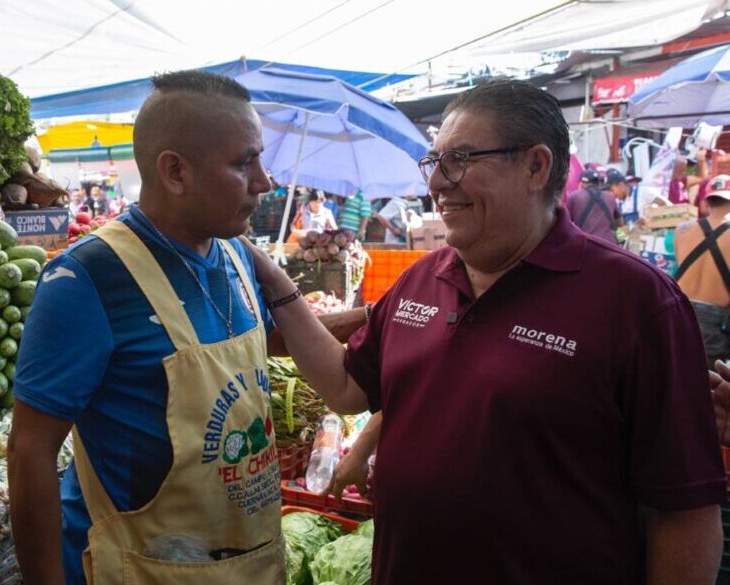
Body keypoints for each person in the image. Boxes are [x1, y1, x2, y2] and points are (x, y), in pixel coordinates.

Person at [244, 79, 725, 585]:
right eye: (434, 162)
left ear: (535, 166)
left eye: (461, 159)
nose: (437, 183)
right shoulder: (421, 280)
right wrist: (275, 281)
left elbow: (686, 510)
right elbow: (345, 389)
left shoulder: (636, 301)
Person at [9, 70, 368, 585]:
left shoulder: (236, 257)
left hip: (246, 558)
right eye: (244, 162)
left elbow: (259, 340)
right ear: (175, 172)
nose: (265, 182)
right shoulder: (86, 278)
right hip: (142, 566)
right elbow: (29, 452)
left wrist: (370, 319)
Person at [674, 174, 730, 368]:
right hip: (712, 323)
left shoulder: (681, 230)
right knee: (707, 388)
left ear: (707, 202)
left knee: (675, 379)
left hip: (677, 312)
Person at [565, 168, 623, 244]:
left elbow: (566, 224)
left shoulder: (574, 196)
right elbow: (620, 223)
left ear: (581, 184)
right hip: (609, 246)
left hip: (586, 246)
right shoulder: (610, 197)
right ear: (598, 183)